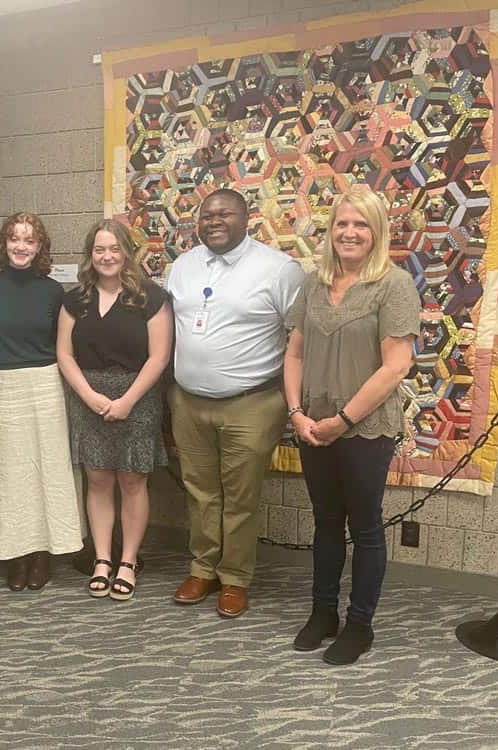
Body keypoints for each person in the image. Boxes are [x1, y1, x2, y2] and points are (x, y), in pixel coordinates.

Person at [284, 185, 419, 665]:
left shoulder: (393, 285)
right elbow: (295, 351)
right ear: (330, 231)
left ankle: (360, 624)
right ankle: (324, 614)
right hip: (313, 426)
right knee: (324, 522)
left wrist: (342, 420)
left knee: (364, 527)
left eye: (360, 224)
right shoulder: (312, 284)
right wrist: (297, 412)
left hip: (364, 429)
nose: (349, 232)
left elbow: (395, 367)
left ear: (376, 232)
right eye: (342, 223)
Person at [167, 188, 304, 618]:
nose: (214, 220)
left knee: (241, 495)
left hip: (252, 402)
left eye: (225, 213)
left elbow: (299, 339)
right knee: (200, 492)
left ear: (248, 217)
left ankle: (235, 578)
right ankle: (202, 568)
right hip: (188, 401)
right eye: (207, 215)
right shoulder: (182, 266)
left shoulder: (279, 269)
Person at [56, 219, 172, 601]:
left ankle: (128, 560)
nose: (107, 257)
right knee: (98, 480)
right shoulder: (76, 299)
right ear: (90, 255)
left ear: (127, 252)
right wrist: (88, 395)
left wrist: (127, 402)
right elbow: (64, 354)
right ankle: (102, 560)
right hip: (88, 396)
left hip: (136, 398)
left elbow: (159, 358)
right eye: (99, 250)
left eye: (114, 249)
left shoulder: (151, 298)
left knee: (132, 481)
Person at [0, 212, 83, 591]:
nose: (21, 246)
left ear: (40, 247)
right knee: (12, 473)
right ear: (4, 244)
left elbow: (62, 343)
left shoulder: (53, 291)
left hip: (47, 383)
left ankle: (43, 554)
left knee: (48, 471)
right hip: (7, 385)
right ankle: (16, 554)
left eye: (29, 240)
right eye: (14, 239)